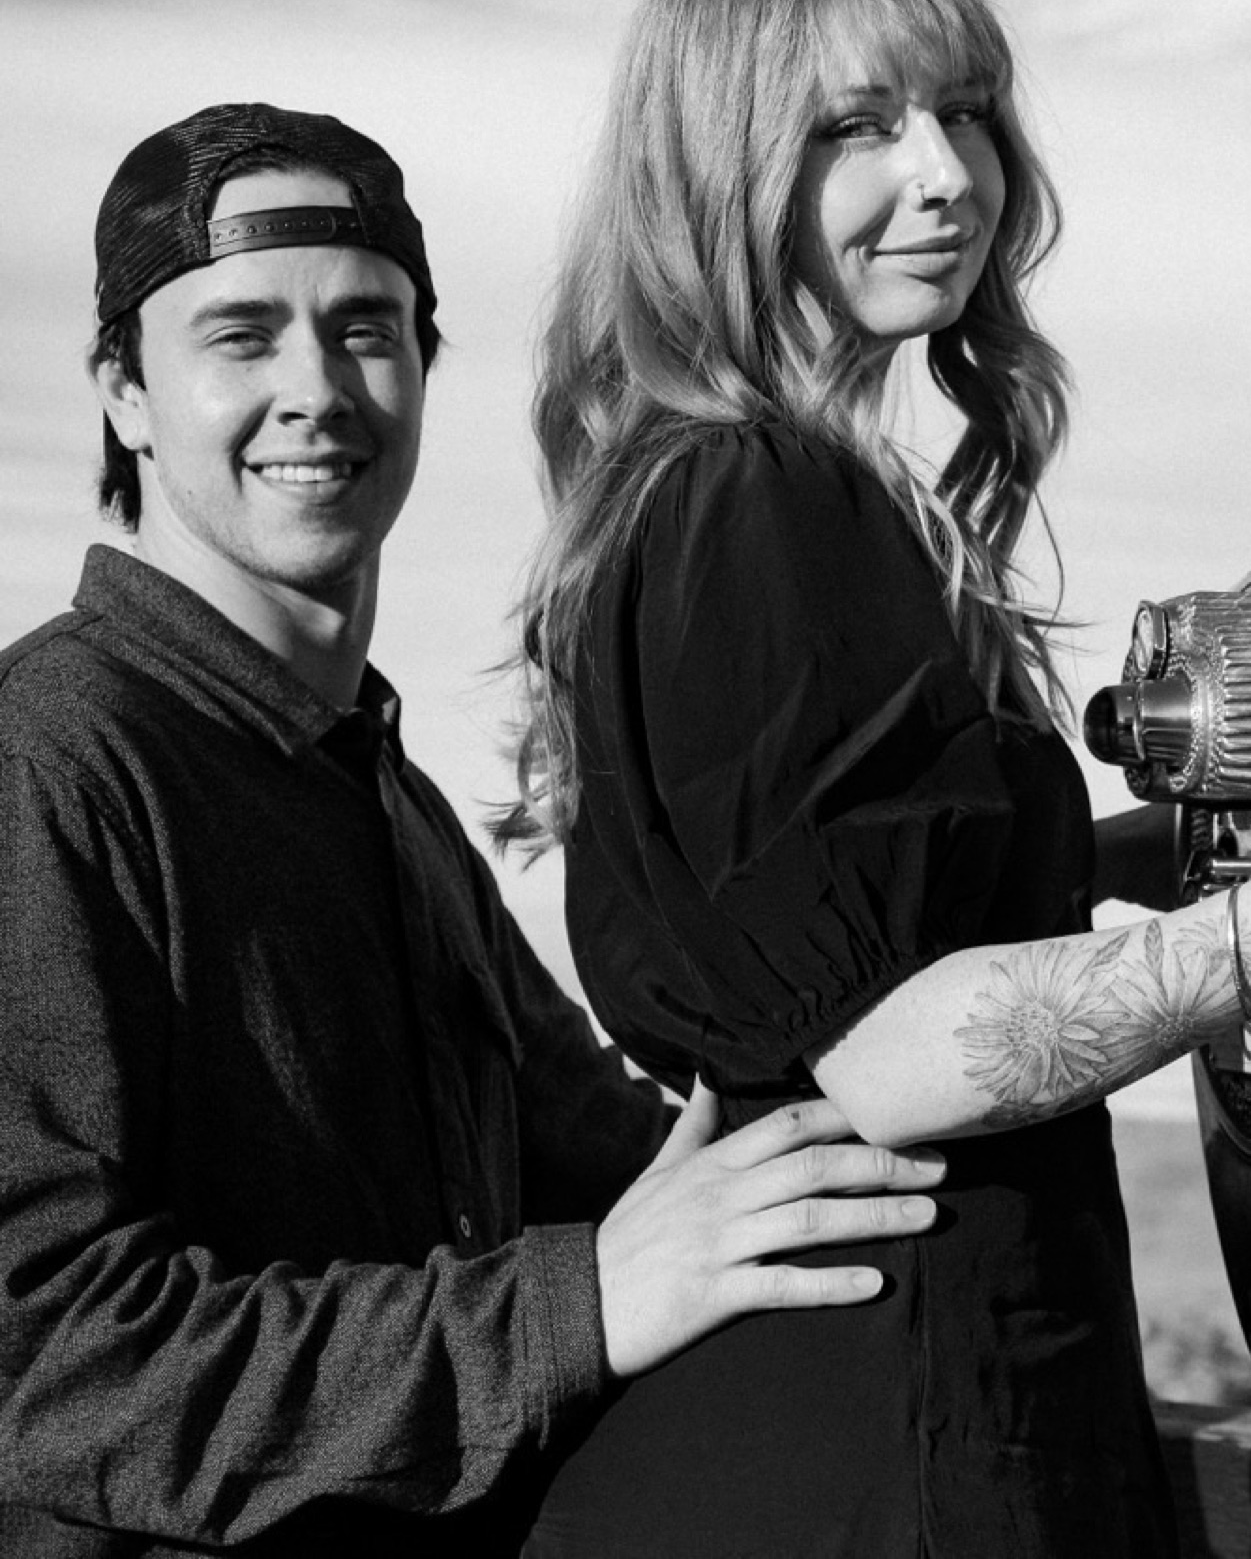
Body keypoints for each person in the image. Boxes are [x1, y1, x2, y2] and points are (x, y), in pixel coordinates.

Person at [504, 0, 1251, 1559]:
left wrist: (1190, 847)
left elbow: (870, 920)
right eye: (855, 126)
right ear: (715, 167)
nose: (947, 175)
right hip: (883, 1442)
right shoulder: (762, 504)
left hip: (870, 1402)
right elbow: (894, 1054)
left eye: (966, 111)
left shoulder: (720, 492)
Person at [0, 103, 945, 1559]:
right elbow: (47, 1361)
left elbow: (631, 1168)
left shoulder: (385, 800)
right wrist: (579, 1301)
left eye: (365, 330)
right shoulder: (53, 760)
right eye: (241, 337)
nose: (317, 390)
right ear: (125, 392)